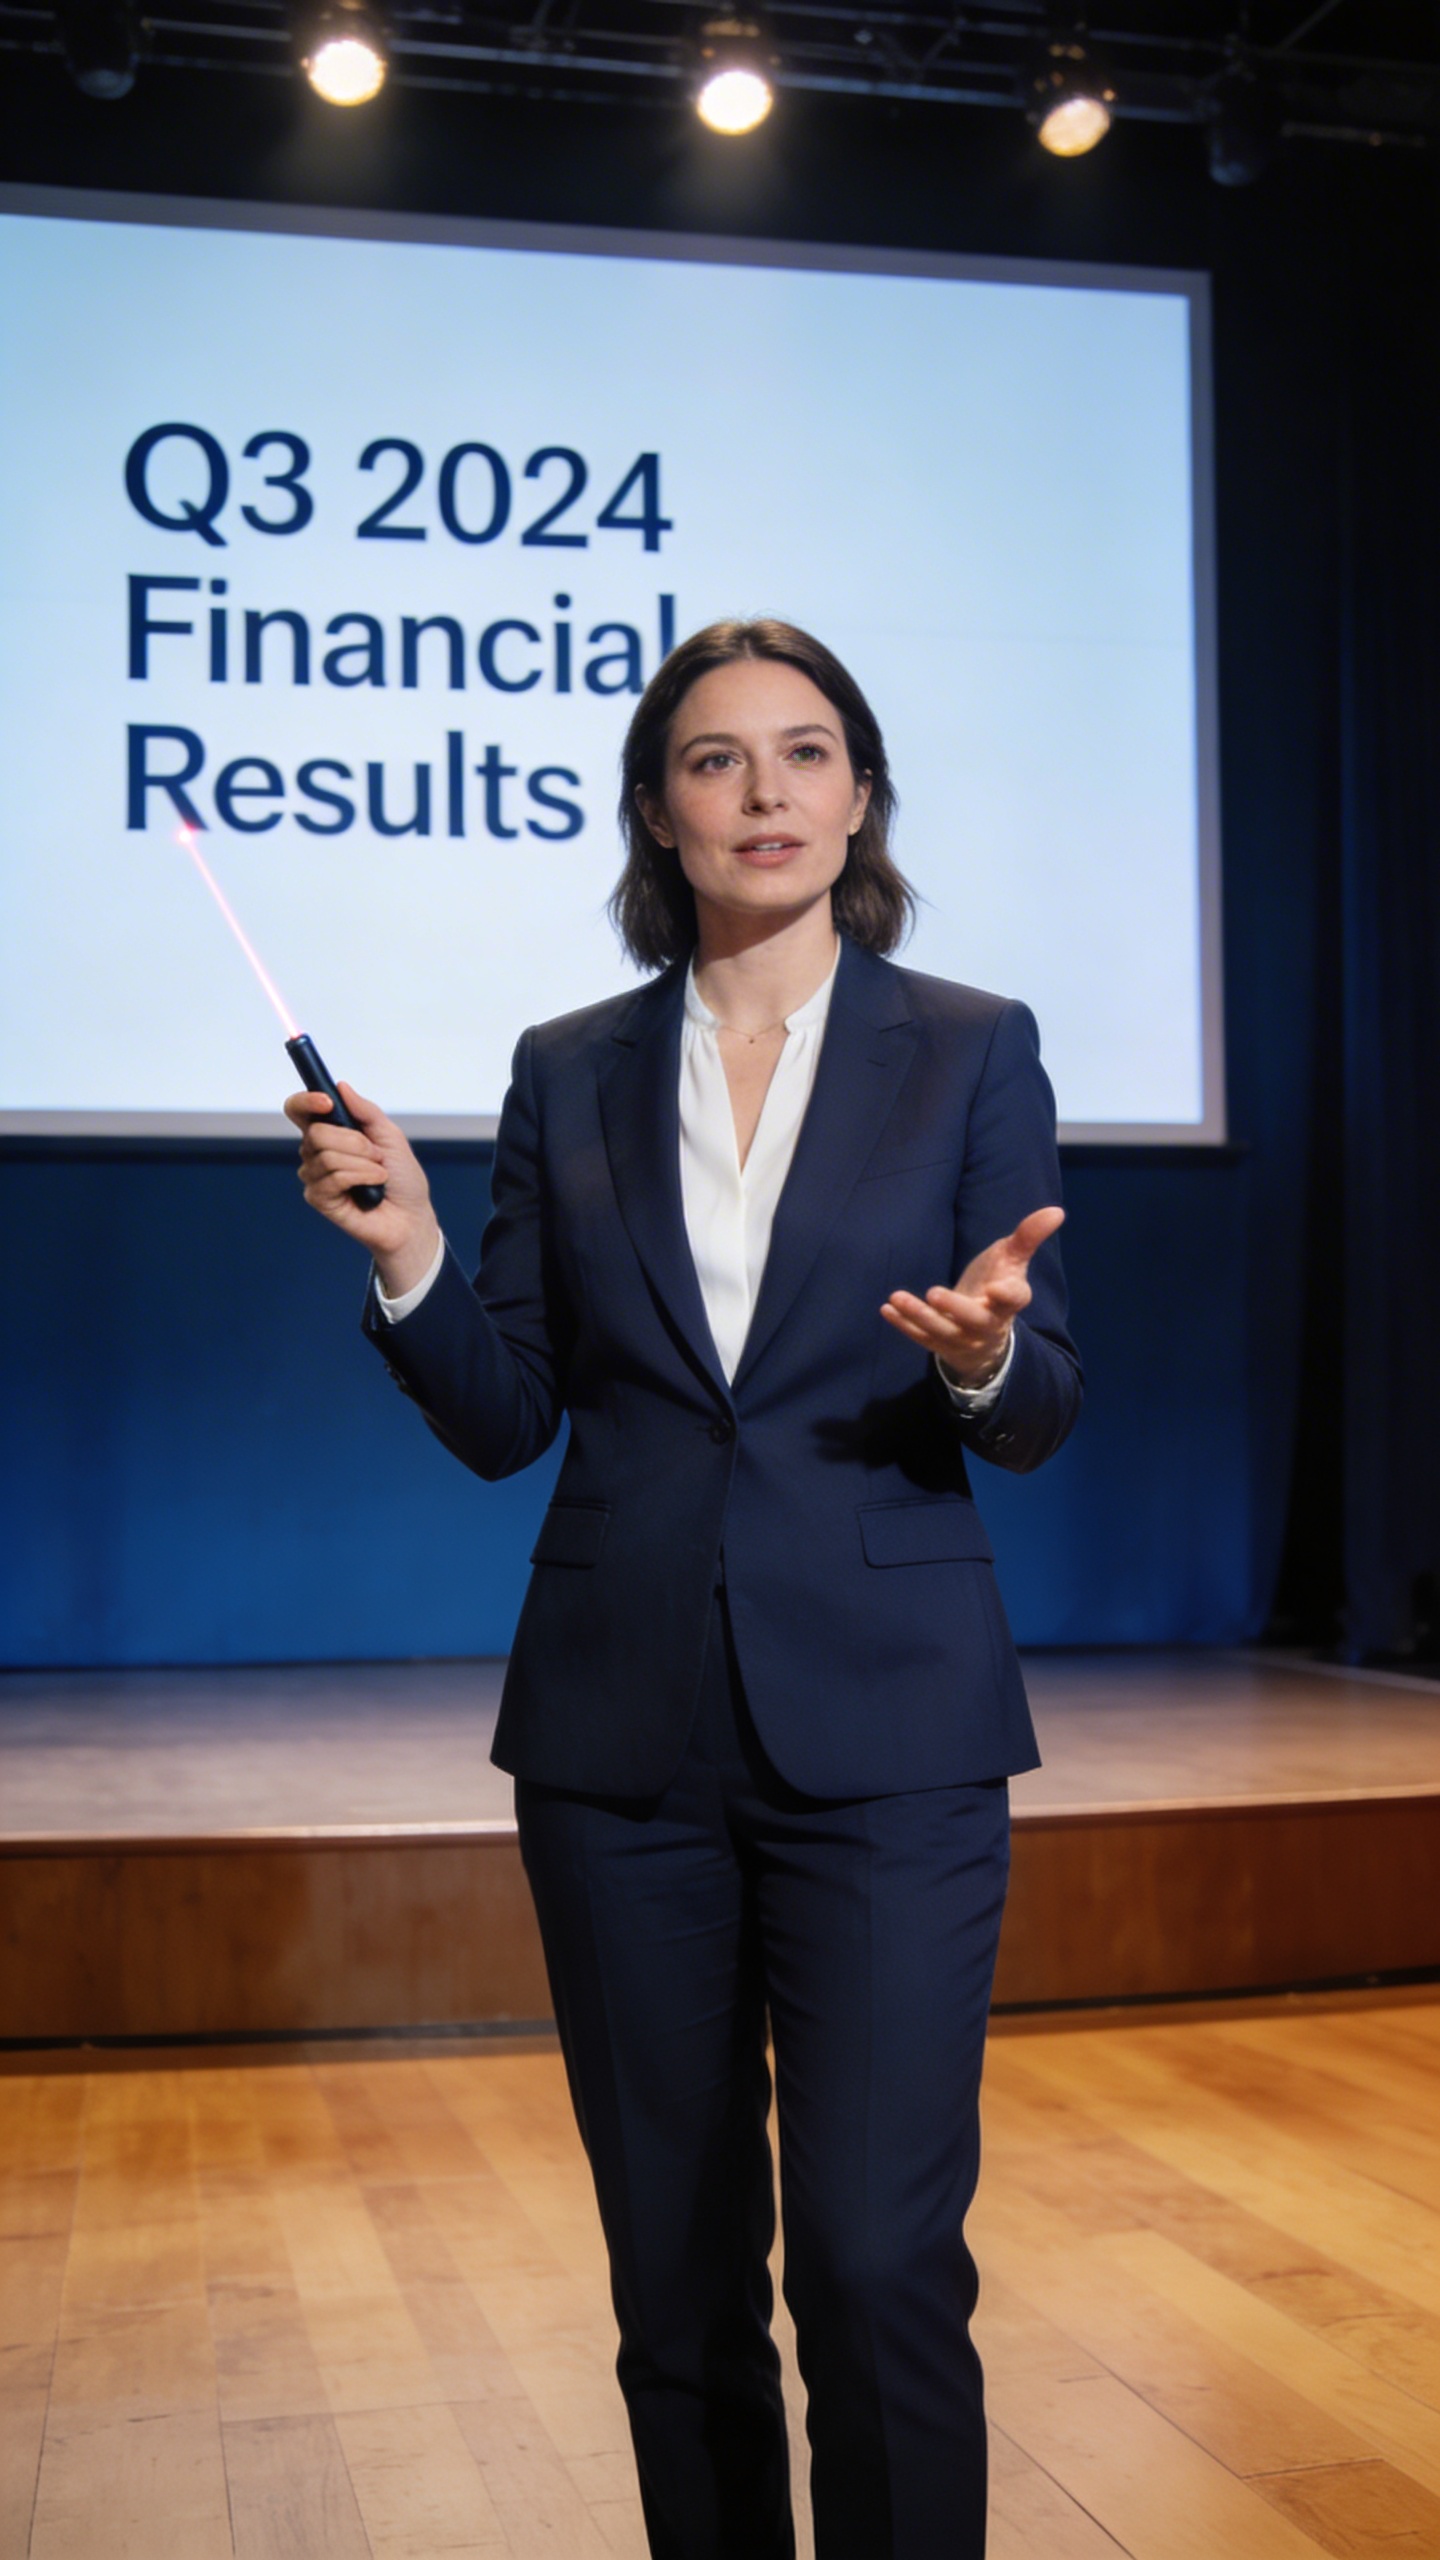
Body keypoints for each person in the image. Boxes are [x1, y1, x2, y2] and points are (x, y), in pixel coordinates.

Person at [288, 617, 1082, 2560]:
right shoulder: (567, 1071)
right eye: (718, 759)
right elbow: (509, 1413)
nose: (768, 793)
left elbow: (1042, 1400)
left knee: (884, 2266)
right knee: (675, 2283)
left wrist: (981, 1352)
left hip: (891, 1729)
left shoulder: (972, 1049)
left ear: (861, 792)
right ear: (660, 805)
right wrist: (405, 1261)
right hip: (619, 1742)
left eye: (807, 752)